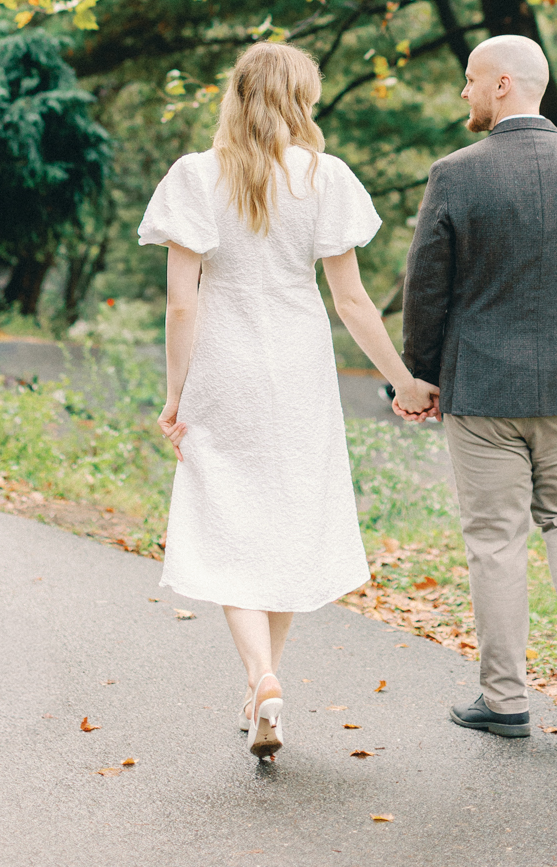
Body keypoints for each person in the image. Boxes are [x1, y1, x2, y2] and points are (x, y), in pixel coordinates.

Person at [138, 41, 437, 760]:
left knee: (226, 522)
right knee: (289, 521)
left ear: (237, 95)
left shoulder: (196, 175)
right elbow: (352, 301)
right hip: (300, 368)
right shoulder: (325, 178)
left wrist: (176, 394)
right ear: (301, 99)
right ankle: (263, 684)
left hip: (224, 366)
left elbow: (182, 304)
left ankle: (260, 681)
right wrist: (402, 380)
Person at [401, 33, 557, 738]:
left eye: (471, 79)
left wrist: (423, 375)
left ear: (503, 83)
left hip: (483, 391)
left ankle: (505, 701)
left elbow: (426, 287)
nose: (465, 93)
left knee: (496, 540)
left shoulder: (455, 174)